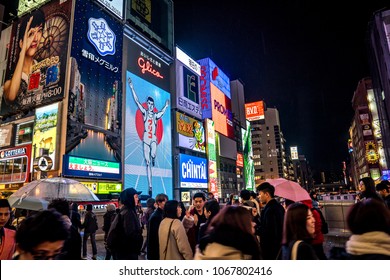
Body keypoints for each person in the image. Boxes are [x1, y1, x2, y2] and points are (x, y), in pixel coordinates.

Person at [128, 77, 169, 195]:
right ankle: (150, 186)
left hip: (153, 139)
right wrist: (131, 87)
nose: (150, 105)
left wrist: (166, 106)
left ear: (153, 105)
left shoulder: (155, 115)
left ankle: (154, 157)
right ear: (148, 104)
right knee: (147, 162)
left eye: (152, 104)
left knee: (153, 154)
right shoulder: (145, 112)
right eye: (149, 103)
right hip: (146, 139)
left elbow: (162, 112)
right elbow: (137, 102)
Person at [3, 9, 45, 111]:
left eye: (39, 31)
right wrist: (23, 51)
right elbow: (11, 96)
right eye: (31, 33)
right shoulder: (10, 81)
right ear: (21, 43)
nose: (35, 38)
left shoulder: (44, 68)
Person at [194, 205, 262, 260]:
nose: (253, 224)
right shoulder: (248, 249)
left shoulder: (203, 247)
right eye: (249, 221)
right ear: (241, 225)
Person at [107, 187, 143, 260]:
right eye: (135, 197)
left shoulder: (125, 211)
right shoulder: (129, 213)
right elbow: (131, 234)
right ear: (129, 198)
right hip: (127, 253)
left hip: (123, 251)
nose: (137, 199)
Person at [256, 182, 285, 259]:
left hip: (271, 252)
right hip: (279, 249)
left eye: (260, 194)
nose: (258, 197)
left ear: (267, 194)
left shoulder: (270, 210)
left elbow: (268, 232)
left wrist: (255, 228)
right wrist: (256, 217)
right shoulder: (279, 207)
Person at [146, 193, 168, 260]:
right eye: (165, 201)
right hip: (156, 250)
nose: (166, 204)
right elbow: (153, 237)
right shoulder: (156, 216)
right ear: (159, 203)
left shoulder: (161, 214)